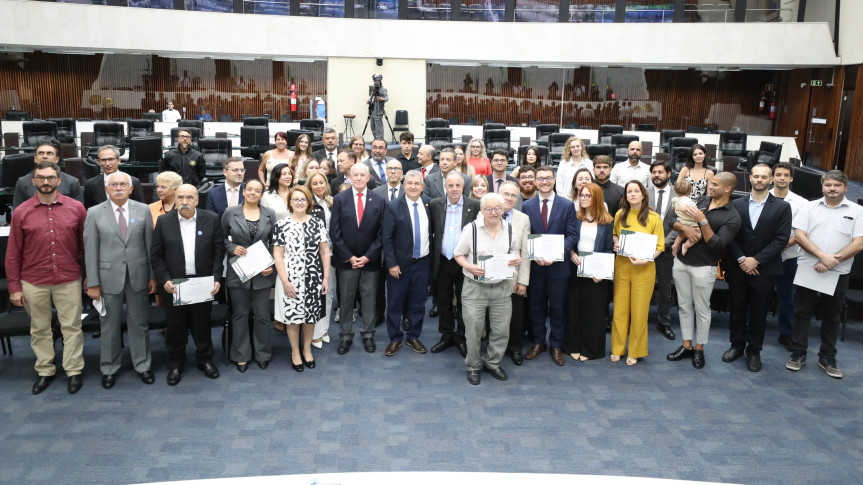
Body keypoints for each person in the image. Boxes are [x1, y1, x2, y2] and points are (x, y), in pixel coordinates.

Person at [7, 161, 88, 395]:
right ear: (33, 181)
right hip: (33, 280)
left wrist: (89, 278)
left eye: (50, 178)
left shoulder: (76, 208)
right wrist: (14, 286)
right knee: (39, 328)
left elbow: (85, 247)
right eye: (41, 178)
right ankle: (45, 370)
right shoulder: (21, 212)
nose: (45, 182)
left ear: (59, 180)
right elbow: (13, 253)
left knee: (72, 327)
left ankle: (74, 371)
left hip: (69, 278)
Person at [786, 170, 863, 379]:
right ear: (823, 187)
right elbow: (799, 235)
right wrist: (822, 256)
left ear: (846, 187)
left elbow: (859, 242)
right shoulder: (809, 207)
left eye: (837, 186)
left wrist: (832, 261)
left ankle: (827, 356)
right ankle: (798, 352)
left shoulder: (857, 211)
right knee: (802, 311)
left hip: (838, 271)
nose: (832, 189)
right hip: (809, 267)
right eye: (828, 185)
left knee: (832, 315)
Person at [84, 171, 156, 389]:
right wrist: (93, 282)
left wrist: (152, 275)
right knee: (109, 326)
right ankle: (109, 367)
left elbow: (150, 246)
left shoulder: (143, 210)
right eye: (113, 184)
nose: (118, 188)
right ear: (106, 189)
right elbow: (90, 250)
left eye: (123, 184)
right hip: (107, 278)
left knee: (140, 323)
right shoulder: (94, 213)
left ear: (131, 188)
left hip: (139, 276)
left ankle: (143, 365)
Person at [151, 184, 225, 386]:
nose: (185, 202)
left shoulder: (211, 219)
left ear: (197, 200)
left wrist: (217, 277)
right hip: (174, 285)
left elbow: (219, 252)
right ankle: (175, 363)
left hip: (203, 283)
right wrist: (164, 278)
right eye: (181, 197)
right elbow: (156, 255)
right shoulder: (164, 221)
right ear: (175, 199)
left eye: (189, 197)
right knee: (176, 327)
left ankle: (205, 359)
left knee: (202, 325)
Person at [667, 173, 741, 369]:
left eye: (715, 184)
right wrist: (686, 228)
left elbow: (717, 245)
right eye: (710, 183)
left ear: (728, 189)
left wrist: (702, 221)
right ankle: (686, 345)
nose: (710, 187)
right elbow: (670, 219)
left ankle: (699, 348)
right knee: (683, 306)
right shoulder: (700, 200)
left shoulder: (732, 216)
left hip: (704, 267)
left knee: (701, 308)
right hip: (681, 263)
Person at [722, 164, 791, 372]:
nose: (760, 180)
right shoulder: (736, 203)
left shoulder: (781, 207)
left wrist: (756, 260)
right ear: (749, 178)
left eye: (764, 177)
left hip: (765, 270)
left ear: (771, 180)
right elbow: (729, 235)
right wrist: (743, 258)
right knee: (737, 309)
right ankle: (736, 346)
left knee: (759, 312)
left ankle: (754, 351)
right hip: (738, 267)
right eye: (756, 176)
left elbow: (781, 240)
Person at [453, 193, 522, 385]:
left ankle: (492, 363)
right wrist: (468, 266)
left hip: (501, 288)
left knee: (501, 330)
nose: (493, 213)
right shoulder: (471, 229)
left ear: (502, 209)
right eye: (489, 209)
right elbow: (458, 254)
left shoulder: (509, 229)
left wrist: (517, 258)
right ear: (481, 210)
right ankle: (473, 366)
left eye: (497, 208)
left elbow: (515, 251)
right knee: (474, 330)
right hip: (475, 288)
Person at [522, 165, 579, 366]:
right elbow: (524, 236)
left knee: (557, 308)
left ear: (554, 180)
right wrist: (533, 254)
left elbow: (572, 235)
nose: (544, 182)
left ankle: (556, 344)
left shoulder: (566, 205)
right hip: (535, 267)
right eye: (540, 178)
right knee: (536, 306)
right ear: (535, 181)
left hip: (558, 267)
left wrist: (556, 254)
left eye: (548, 178)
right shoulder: (527, 206)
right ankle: (539, 342)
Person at [329, 163, 386, 354]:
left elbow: (381, 233)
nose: (359, 178)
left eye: (363, 174)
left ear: (368, 177)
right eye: (356, 175)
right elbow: (334, 232)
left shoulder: (378, 200)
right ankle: (345, 336)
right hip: (347, 261)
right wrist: (349, 256)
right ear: (350, 178)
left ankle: (368, 334)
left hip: (370, 261)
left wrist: (369, 256)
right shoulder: (339, 199)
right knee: (346, 299)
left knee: (369, 300)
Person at [221, 179, 277, 373]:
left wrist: (272, 266)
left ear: (262, 194)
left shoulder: (269, 214)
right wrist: (231, 247)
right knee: (240, 315)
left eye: (257, 190)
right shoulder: (230, 212)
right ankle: (241, 355)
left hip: (262, 273)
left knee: (262, 316)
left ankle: (262, 353)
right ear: (244, 192)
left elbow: (275, 243)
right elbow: (220, 239)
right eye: (250, 189)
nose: (253, 193)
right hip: (238, 272)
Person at [274, 185, 330, 371]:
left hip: (314, 276)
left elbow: (324, 252)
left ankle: (307, 350)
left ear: (308, 202)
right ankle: (295, 352)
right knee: (293, 317)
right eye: (295, 199)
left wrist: (326, 278)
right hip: (289, 278)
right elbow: (278, 255)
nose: (299, 202)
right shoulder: (281, 225)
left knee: (310, 316)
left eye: (303, 199)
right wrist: (285, 281)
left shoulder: (317, 223)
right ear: (289, 202)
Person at [609, 181, 664, 366]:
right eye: (629, 191)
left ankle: (635, 351)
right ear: (626, 196)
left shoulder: (654, 218)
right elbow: (615, 234)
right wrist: (616, 242)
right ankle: (617, 348)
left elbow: (659, 247)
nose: (633, 194)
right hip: (623, 269)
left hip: (644, 270)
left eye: (636, 191)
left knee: (639, 313)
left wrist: (646, 258)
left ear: (643, 195)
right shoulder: (620, 214)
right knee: (619, 311)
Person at [429, 170, 480, 357]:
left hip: (464, 263)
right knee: (443, 301)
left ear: (463, 186)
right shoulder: (435, 204)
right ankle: (446, 335)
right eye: (450, 185)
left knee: (464, 301)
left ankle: (461, 336)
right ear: (445, 187)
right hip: (441, 261)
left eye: (458, 185)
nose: (454, 188)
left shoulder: (474, 205)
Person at [382, 170, 432, 356]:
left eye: (416, 183)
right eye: (409, 183)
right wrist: (392, 264)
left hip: (423, 263)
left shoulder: (429, 204)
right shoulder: (394, 206)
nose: (412, 186)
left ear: (422, 186)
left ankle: (413, 336)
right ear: (404, 185)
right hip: (399, 266)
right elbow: (386, 238)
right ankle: (395, 338)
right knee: (395, 303)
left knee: (418, 303)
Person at [564, 183, 614, 361]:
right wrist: (570, 253)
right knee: (573, 310)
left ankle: (590, 348)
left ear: (597, 198)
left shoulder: (607, 221)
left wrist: (602, 271)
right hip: (575, 270)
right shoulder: (574, 218)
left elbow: (609, 249)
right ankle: (573, 345)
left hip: (597, 274)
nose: (583, 198)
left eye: (587, 196)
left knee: (594, 313)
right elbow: (568, 239)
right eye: (581, 195)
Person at [769, 162, 808, 351]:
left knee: (787, 299)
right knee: (759, 295)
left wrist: (780, 246)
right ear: (772, 178)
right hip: (764, 257)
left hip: (789, 257)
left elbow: (801, 232)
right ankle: (752, 330)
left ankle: (786, 334)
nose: (782, 178)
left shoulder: (802, 204)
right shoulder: (762, 197)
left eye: (786, 175)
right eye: (778, 175)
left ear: (791, 178)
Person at [498, 181, 531, 365]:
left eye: (513, 195)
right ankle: (496, 347)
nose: (509, 198)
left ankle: (515, 347)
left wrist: (523, 281)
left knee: (516, 315)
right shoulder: (486, 212)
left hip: (514, 276)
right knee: (494, 314)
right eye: (506, 194)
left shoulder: (523, 219)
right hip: (492, 276)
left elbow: (525, 252)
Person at [647, 159, 677, 341]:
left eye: (660, 172)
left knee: (665, 288)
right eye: (654, 172)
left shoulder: (677, 195)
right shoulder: (643, 193)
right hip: (644, 248)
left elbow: (680, 224)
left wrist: (664, 243)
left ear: (668, 174)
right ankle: (637, 319)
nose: (656, 175)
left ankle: (664, 322)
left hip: (666, 248)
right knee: (642, 285)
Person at [306, 172, 335, 348]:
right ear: (310, 185)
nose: (318, 186)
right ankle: (314, 333)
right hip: (313, 254)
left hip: (331, 252)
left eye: (321, 182)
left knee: (328, 291)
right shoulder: (308, 203)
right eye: (315, 183)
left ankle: (324, 329)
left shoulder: (332, 202)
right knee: (315, 293)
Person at [12, 138, 83, 208]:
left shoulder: (72, 182)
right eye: (41, 153)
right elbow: (18, 213)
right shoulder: (23, 182)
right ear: (35, 159)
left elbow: (79, 212)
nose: (44, 156)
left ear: (57, 159)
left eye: (49, 153)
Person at [670, 178, 700, 256]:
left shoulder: (675, 199)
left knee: (682, 234)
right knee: (699, 234)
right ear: (690, 191)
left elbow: (673, 209)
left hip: (681, 220)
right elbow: (683, 208)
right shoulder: (686, 200)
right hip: (689, 221)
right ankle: (686, 246)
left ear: (675, 191)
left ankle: (675, 245)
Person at [367, 74, 388, 139]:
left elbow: (387, 99)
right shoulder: (373, 89)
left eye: (377, 80)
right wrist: (369, 101)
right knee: (372, 126)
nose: (376, 82)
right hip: (372, 110)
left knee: (379, 126)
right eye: (375, 80)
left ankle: (380, 139)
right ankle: (375, 139)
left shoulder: (383, 89)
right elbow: (371, 98)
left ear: (380, 81)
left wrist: (381, 99)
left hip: (379, 111)